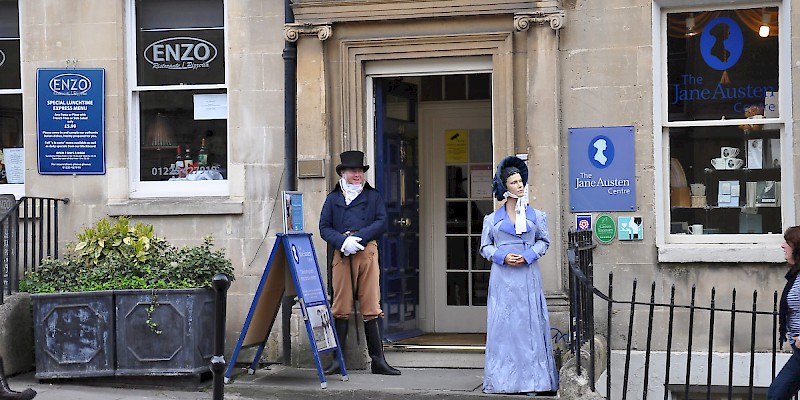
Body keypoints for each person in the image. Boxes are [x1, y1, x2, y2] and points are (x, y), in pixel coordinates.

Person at [479, 155, 558, 395]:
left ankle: (534, 381)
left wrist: (529, 255)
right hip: (503, 278)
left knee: (529, 326)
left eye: (521, 180)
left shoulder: (537, 216)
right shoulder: (491, 219)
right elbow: (485, 247)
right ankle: (503, 381)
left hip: (527, 275)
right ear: (505, 187)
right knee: (504, 327)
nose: (520, 185)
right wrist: (502, 257)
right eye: (514, 182)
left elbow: (544, 241)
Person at [319, 150, 401, 376]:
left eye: (360, 171)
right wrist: (342, 241)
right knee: (340, 307)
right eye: (352, 171)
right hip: (342, 252)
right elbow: (324, 227)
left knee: (371, 305)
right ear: (343, 173)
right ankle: (338, 360)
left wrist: (360, 238)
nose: (357, 175)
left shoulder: (373, 196)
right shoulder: (333, 199)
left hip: (366, 251)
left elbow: (382, 221)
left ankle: (378, 360)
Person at [768, 226, 800, 399]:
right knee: (777, 393)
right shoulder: (795, 276)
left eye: (788, 243)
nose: (782, 246)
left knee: (777, 394)